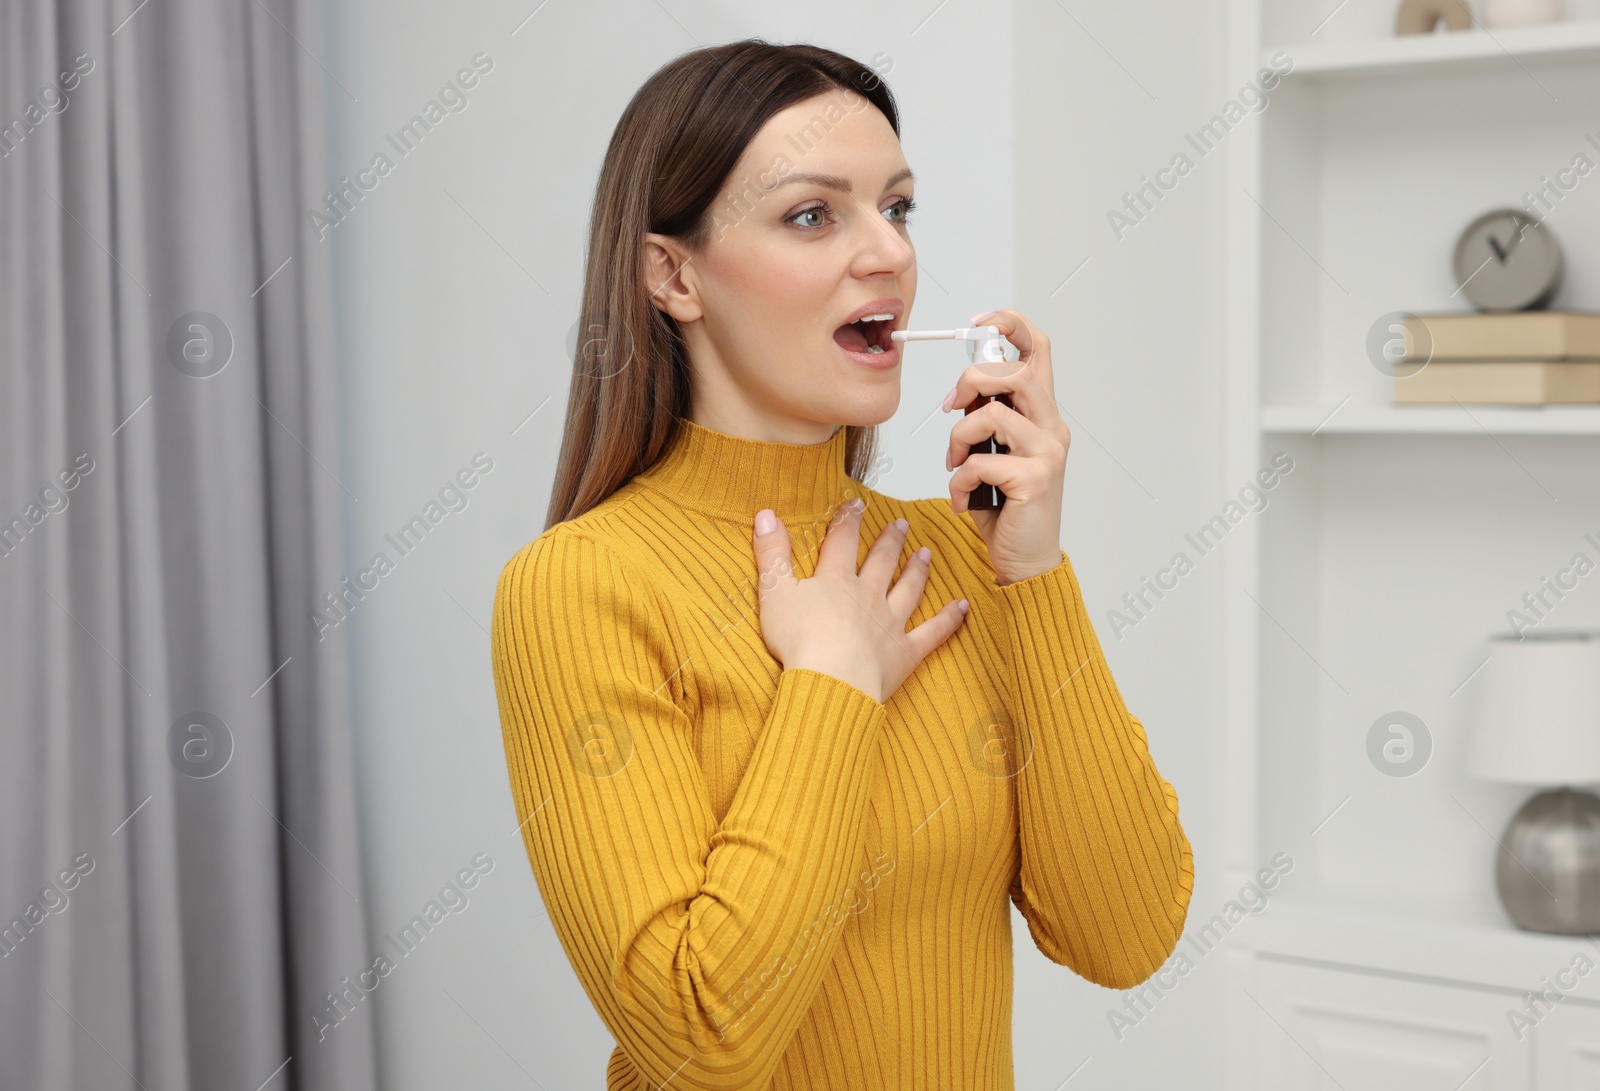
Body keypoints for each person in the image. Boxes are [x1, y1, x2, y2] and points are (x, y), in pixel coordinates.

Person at [489, 38, 1193, 1091]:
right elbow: (697, 1039)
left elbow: (1124, 933)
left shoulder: (963, 550)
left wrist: (1036, 573)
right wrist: (829, 679)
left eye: (896, 208)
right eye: (814, 214)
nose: (890, 256)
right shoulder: (578, 586)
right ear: (671, 274)